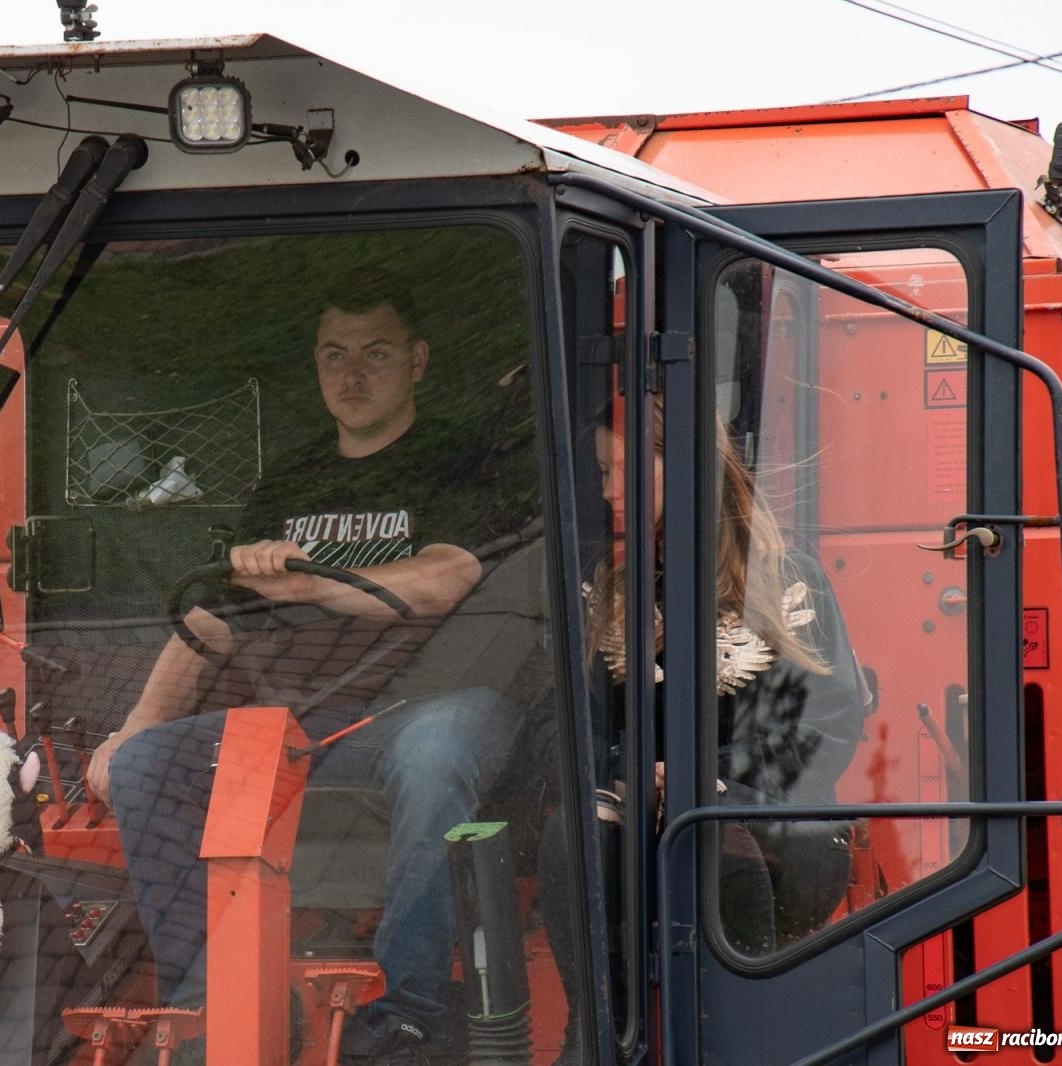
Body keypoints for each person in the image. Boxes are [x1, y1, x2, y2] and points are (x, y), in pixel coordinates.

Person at [86, 277, 527, 1066]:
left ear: (418, 361)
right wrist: (133, 730)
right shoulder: (286, 483)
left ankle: (405, 1014)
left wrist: (313, 580)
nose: (352, 376)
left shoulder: (460, 460)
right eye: (334, 355)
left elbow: (447, 576)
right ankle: (209, 1008)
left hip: (426, 706)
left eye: (376, 353)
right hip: (298, 723)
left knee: (437, 751)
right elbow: (212, 622)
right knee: (151, 766)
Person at [536, 402, 868, 1062]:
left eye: (626, 469)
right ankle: (597, 1031)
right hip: (642, 819)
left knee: (714, 831)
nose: (608, 490)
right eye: (602, 470)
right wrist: (631, 778)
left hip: (777, 825)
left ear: (686, 463)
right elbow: (560, 726)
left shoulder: (786, 577)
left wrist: (715, 780)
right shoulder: (606, 584)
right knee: (571, 834)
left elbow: (828, 727)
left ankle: (740, 1036)